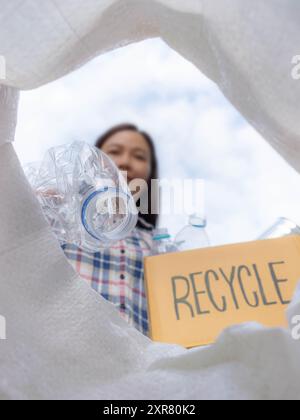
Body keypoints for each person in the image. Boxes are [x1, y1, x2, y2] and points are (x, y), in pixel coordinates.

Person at [62, 124, 159, 336]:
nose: (125, 162)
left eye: (139, 156)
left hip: (145, 365)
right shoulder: (59, 221)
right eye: (114, 152)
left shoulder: (159, 246)